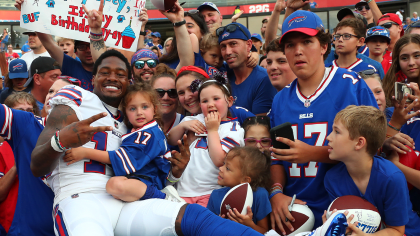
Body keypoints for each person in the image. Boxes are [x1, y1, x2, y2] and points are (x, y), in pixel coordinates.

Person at [31, 46, 265, 236]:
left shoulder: (133, 121)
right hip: (82, 198)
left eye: (120, 74)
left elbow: (150, 172)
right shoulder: (79, 98)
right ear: (93, 78)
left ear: (129, 81)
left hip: (127, 200)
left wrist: (174, 174)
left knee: (193, 217)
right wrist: (60, 141)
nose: (113, 77)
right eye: (105, 72)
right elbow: (37, 165)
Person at [268, 10, 377, 233]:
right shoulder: (280, 100)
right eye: (290, 45)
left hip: (345, 206)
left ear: (324, 46)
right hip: (297, 209)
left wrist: (312, 154)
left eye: (307, 41)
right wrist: (276, 193)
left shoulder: (350, 85)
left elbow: (372, 149)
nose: (298, 51)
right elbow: (277, 157)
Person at [63, 82, 184, 203]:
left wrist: (84, 152)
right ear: (125, 112)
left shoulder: (149, 133)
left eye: (145, 107)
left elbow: (121, 160)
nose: (139, 112)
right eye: (132, 108)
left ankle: (165, 198)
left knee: (114, 185)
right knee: (116, 193)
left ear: (155, 109)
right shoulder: (138, 129)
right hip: (141, 180)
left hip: (150, 181)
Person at [324, 105, 420, 235]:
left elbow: (397, 231)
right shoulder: (332, 178)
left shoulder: (391, 177)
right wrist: (331, 226)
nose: (328, 137)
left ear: (359, 143)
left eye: (337, 132)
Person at [168, 74, 245, 206]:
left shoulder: (233, 129)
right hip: (182, 192)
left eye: (216, 99)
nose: (210, 104)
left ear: (230, 101)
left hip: (212, 193)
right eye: (205, 101)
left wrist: (212, 130)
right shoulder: (194, 120)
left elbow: (219, 160)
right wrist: (182, 126)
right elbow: (171, 140)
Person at [207, 146, 272, 234]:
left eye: (227, 168)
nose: (220, 168)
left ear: (245, 180)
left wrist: (249, 224)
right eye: (223, 163)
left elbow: (265, 232)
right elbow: (207, 228)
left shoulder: (260, 194)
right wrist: (218, 223)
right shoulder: (215, 195)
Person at [217, 22, 277, 115]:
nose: (228, 52)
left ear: (249, 45)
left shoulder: (263, 79)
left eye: (233, 44)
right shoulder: (223, 74)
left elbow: (260, 126)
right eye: (223, 47)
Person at [174, 66, 255, 125]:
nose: (187, 97)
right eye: (181, 93)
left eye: (192, 88)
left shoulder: (237, 113)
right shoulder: (186, 122)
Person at [150, 65, 184, 151]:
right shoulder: (139, 121)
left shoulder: (187, 124)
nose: (165, 97)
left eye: (172, 92)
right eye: (159, 92)